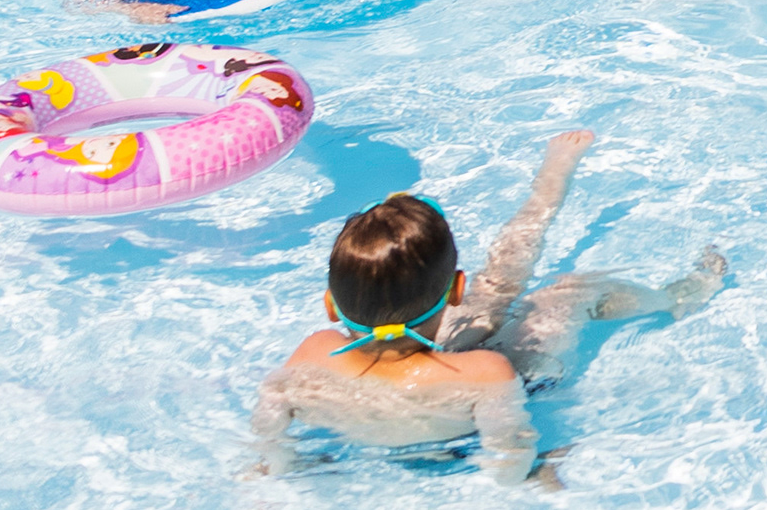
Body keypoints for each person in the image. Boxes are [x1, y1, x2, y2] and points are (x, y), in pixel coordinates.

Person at [250, 133, 728, 487]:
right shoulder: (486, 371)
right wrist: (533, 473)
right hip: (475, 421)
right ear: (455, 288)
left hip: (387, 423)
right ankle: (679, 296)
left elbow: (270, 422)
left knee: (492, 301)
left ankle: (550, 183)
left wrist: (282, 467)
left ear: (331, 305)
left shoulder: (313, 352)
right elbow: (509, 451)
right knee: (572, 290)